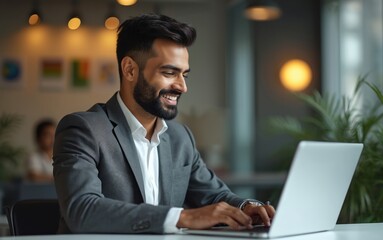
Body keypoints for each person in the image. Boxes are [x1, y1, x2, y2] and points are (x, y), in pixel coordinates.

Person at [53, 13, 275, 234]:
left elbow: (216, 196)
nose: (181, 87)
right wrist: (183, 217)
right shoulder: (83, 130)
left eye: (184, 75)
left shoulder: (181, 138)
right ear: (130, 69)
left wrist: (248, 208)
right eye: (169, 73)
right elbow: (82, 210)